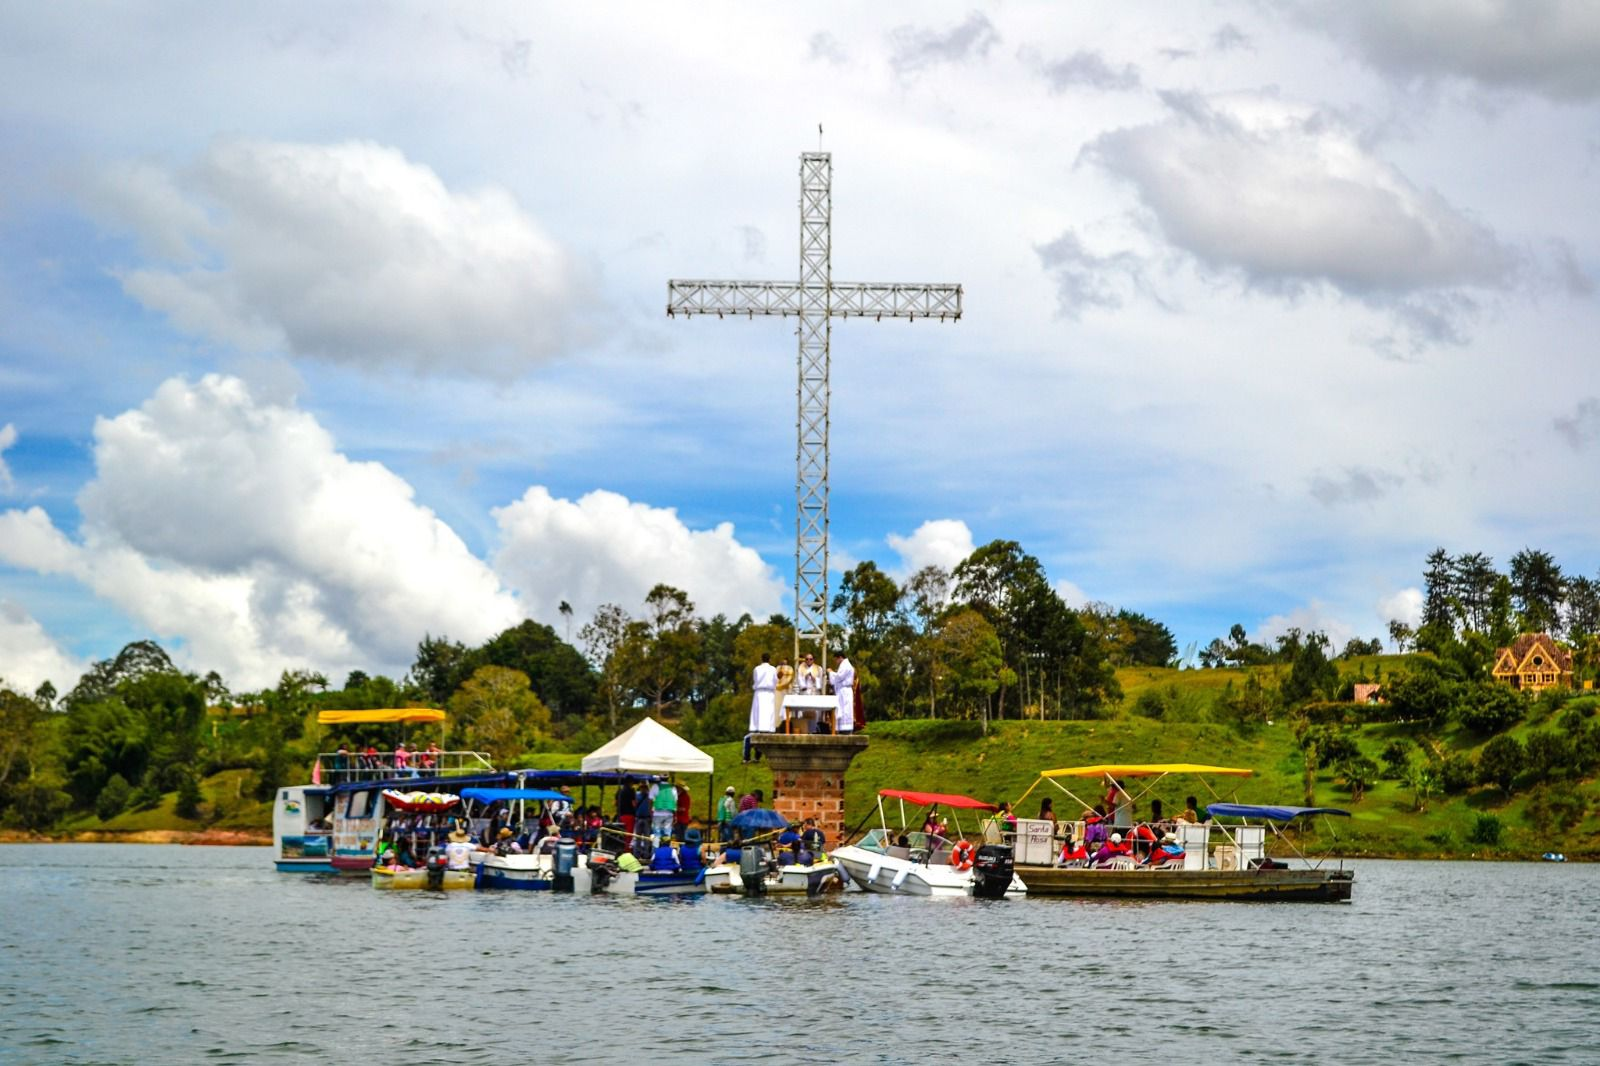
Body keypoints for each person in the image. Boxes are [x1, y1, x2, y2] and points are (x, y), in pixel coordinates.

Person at [745, 652, 779, 760]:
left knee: (758, 714)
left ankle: (758, 729)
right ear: (769, 659)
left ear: (761, 659)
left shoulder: (756, 669)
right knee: (768, 714)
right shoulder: (773, 669)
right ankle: (767, 730)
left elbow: (755, 680)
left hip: (759, 693)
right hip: (769, 693)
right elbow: (775, 681)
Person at [829, 652, 856, 733]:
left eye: (836, 660)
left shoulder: (846, 665)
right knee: (842, 709)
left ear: (840, 657)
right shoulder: (844, 665)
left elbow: (839, 677)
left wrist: (830, 672)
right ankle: (841, 728)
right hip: (842, 691)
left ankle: (846, 729)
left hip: (845, 692)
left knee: (845, 710)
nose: (836, 662)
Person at [652, 775, 678, 842]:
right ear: (668, 778)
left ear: (660, 778)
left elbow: (650, 799)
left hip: (657, 813)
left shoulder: (655, 787)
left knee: (657, 834)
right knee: (667, 833)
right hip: (669, 813)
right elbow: (675, 802)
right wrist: (675, 815)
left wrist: (651, 811)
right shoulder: (673, 788)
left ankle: (656, 851)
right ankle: (667, 849)